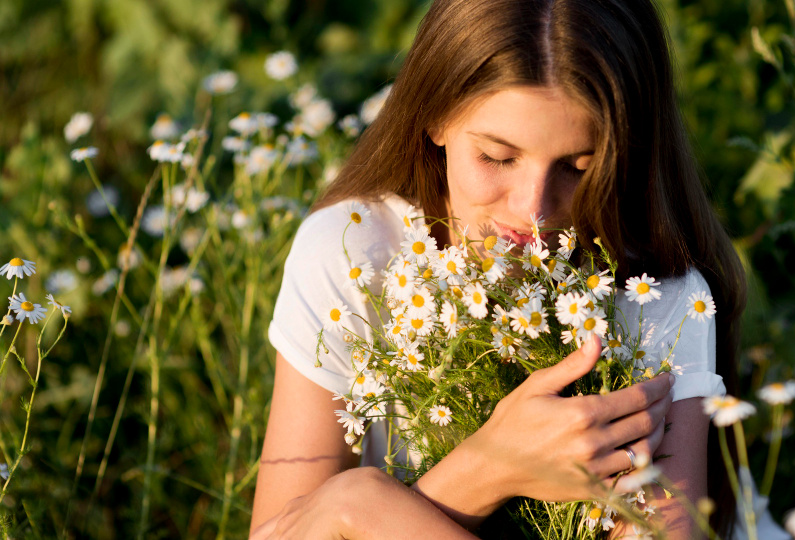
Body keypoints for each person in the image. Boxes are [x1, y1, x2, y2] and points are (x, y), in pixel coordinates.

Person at [250, 0, 748, 538]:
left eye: (579, 168)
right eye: (496, 157)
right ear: (434, 117)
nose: (533, 212)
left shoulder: (656, 301)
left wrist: (359, 509)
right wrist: (490, 469)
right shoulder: (351, 256)